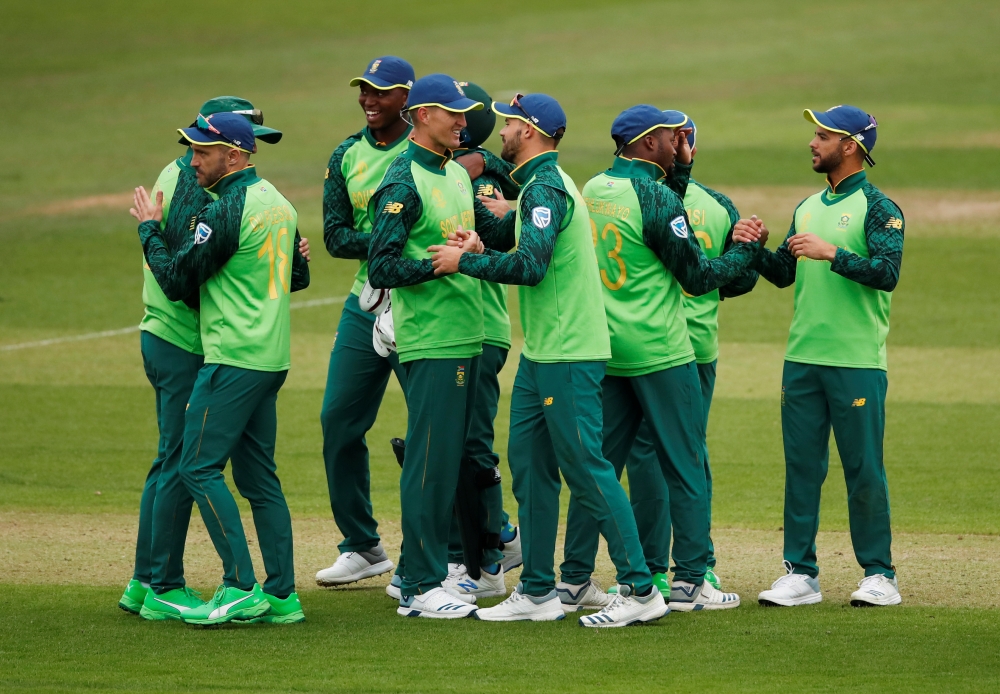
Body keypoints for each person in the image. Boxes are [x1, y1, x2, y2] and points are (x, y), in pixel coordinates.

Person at [429, 93, 668, 628]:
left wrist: (468, 260)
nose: (503, 131)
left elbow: (531, 266)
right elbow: (528, 243)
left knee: (586, 467)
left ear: (531, 131)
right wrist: (480, 238)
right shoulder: (539, 188)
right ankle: (537, 590)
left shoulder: (545, 187)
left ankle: (640, 588)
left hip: (568, 350)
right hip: (543, 353)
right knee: (531, 469)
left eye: (511, 123)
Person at [560, 105, 757, 613]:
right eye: (672, 138)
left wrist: (681, 170)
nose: (680, 144)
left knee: (598, 467)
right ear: (649, 143)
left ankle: (574, 578)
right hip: (663, 353)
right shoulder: (655, 197)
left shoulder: (595, 188)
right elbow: (696, 276)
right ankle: (691, 580)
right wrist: (741, 248)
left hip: (608, 350)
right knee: (686, 467)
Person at [133, 112, 310, 625]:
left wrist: (149, 229)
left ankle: (240, 586)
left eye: (202, 153)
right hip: (271, 359)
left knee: (195, 467)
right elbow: (298, 274)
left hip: (232, 358)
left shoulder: (227, 208)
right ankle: (282, 596)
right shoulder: (278, 201)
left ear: (235, 155)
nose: (193, 163)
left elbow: (175, 281)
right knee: (260, 480)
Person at [367, 74, 511, 619]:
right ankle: (420, 584)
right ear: (421, 114)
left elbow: (458, 240)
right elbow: (381, 266)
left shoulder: (452, 171)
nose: (463, 120)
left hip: (467, 334)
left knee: (448, 460)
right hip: (432, 341)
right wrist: (435, 264)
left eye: (464, 112)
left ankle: (416, 574)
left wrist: (470, 245)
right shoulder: (402, 179)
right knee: (430, 461)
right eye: (451, 112)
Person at [750, 105, 904, 607]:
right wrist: (753, 248)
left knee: (863, 469)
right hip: (802, 359)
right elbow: (783, 272)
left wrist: (833, 253)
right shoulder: (808, 206)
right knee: (802, 467)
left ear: (851, 146)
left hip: (856, 361)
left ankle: (880, 574)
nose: (813, 143)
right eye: (815, 134)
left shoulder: (880, 208)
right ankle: (800, 574)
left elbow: (887, 272)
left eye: (823, 135)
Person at [315, 56, 415, 588]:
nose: (369, 100)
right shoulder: (346, 153)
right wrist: (389, 239)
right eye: (364, 91)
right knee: (338, 420)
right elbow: (335, 237)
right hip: (368, 300)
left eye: (381, 92)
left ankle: (471, 540)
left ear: (407, 97)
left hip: (422, 306)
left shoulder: (426, 151)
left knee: (435, 428)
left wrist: (382, 238)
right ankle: (363, 545)